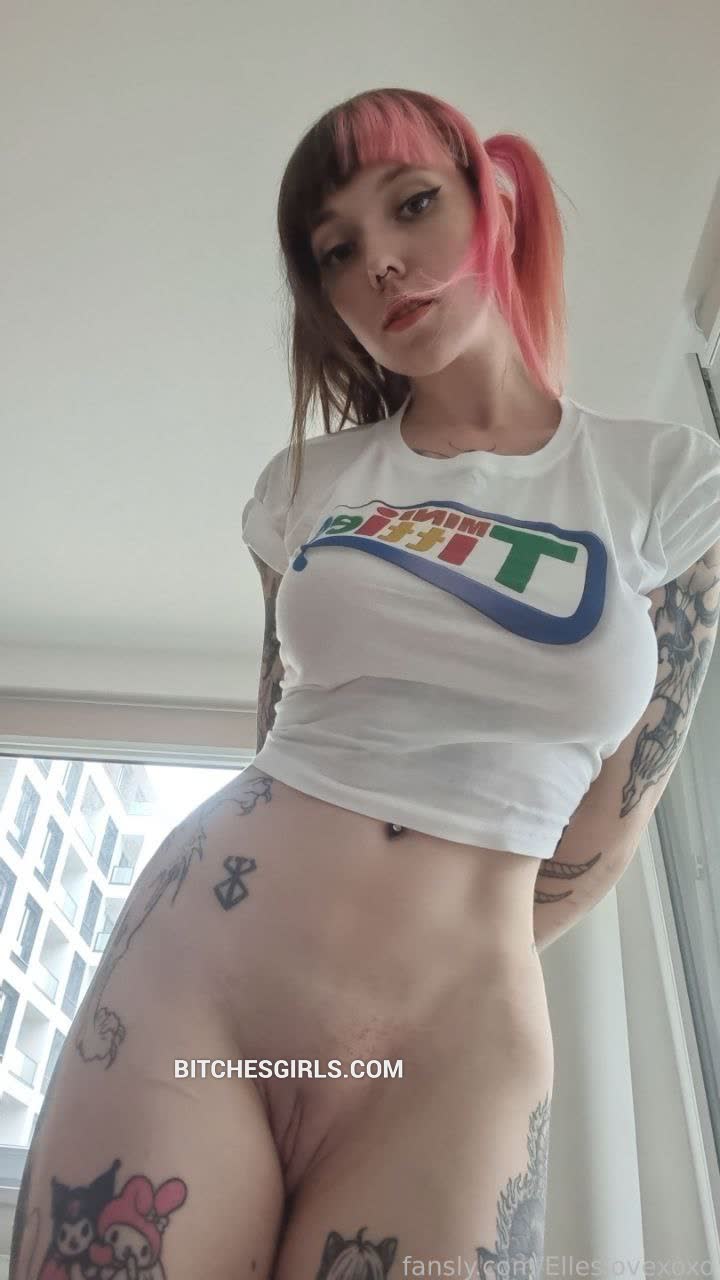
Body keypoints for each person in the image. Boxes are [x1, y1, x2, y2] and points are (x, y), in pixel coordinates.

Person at [11, 87, 720, 1280]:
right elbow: (277, 725)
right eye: (336, 250)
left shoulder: (664, 481)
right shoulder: (306, 486)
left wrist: (432, 954)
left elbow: (619, 810)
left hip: (454, 1045)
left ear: (498, 202)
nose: (379, 259)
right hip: (206, 983)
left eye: (414, 203)